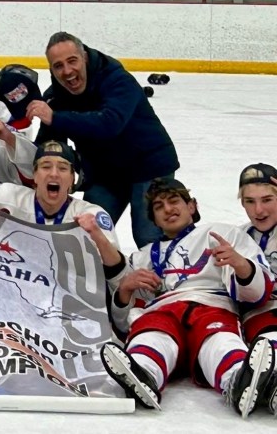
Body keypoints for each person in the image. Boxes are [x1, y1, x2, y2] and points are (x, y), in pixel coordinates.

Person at [101, 178, 276, 417]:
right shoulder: (142, 258)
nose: (168, 209)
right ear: (153, 218)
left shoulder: (221, 234)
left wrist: (241, 265)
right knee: (151, 331)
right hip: (161, 311)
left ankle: (238, 379)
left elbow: (257, 294)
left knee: (217, 338)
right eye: (159, 206)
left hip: (211, 305)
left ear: (191, 206)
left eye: (174, 201)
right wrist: (124, 291)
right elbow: (123, 327)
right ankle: (143, 373)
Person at [29, 32, 180, 247]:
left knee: (149, 238)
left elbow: (110, 124)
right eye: (58, 66)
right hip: (107, 174)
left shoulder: (117, 79)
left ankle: (161, 279)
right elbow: (50, 147)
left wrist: (55, 118)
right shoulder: (56, 97)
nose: (67, 71)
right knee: (84, 232)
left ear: (85, 58)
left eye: (72, 61)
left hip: (149, 166)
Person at [0, 141, 124, 281]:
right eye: (46, 166)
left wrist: (97, 236)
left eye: (62, 168)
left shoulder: (91, 214)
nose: (54, 174)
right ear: (35, 176)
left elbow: (116, 274)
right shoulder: (5, 194)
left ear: (72, 180)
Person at [236, 162, 277, 414]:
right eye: (249, 201)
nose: (258, 210)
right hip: (259, 319)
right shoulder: (237, 237)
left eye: (267, 199)